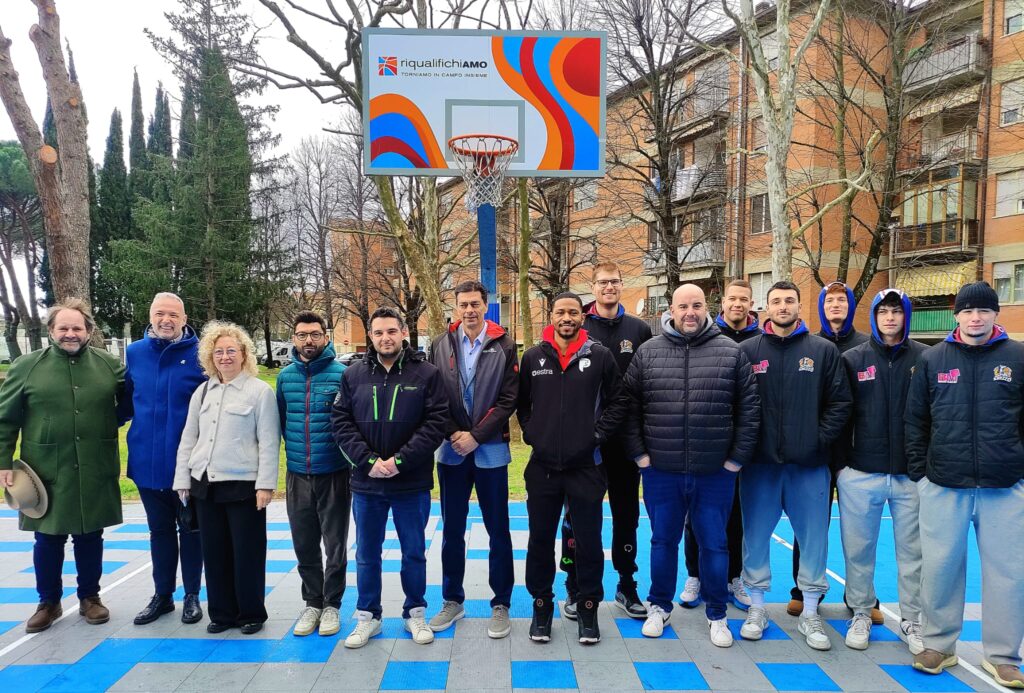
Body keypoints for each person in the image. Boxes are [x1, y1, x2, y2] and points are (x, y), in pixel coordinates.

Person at [622, 284, 759, 647]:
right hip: (661, 471)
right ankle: (659, 606)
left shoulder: (730, 352)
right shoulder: (648, 352)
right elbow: (629, 408)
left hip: (714, 473)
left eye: (696, 305)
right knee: (662, 541)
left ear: (706, 308)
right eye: (683, 306)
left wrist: (735, 461)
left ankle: (717, 614)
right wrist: (641, 457)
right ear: (671, 309)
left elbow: (749, 411)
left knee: (715, 545)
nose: (690, 312)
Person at [905, 281, 1024, 687]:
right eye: (968, 311)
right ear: (957, 315)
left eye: (983, 310)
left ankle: (1003, 656)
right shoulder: (933, 358)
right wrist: (921, 475)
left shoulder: (1017, 357)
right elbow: (915, 420)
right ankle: (939, 644)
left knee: (1008, 573)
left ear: (995, 314)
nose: (976, 318)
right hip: (944, 483)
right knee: (940, 569)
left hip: (1004, 486)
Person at [737, 281, 852, 651]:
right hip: (760, 466)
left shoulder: (822, 351)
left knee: (814, 539)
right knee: (755, 537)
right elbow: (736, 404)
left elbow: (840, 403)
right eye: (776, 301)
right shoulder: (748, 351)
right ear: (766, 307)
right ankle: (757, 607)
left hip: (809, 467)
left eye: (789, 300)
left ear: (800, 306)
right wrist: (749, 446)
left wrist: (816, 440)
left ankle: (811, 611)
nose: (783, 306)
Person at [0, 299, 126, 633]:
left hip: (94, 464)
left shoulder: (109, 365)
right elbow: (5, 418)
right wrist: (3, 462)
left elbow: (129, 402)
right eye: (63, 328)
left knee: (90, 534)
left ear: (88, 331)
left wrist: (106, 423)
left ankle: (90, 598)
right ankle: (48, 603)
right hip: (43, 469)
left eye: (77, 328)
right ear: (52, 331)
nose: (71, 334)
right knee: (47, 537)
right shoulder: (26, 366)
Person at [331, 307, 447, 649]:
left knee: (414, 552)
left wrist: (400, 461)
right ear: (371, 336)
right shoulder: (352, 375)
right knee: (367, 554)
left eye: (391, 331)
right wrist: (369, 461)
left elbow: (436, 423)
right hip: (367, 484)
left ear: (403, 333)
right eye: (379, 332)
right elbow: (341, 421)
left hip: (410, 483)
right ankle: (368, 616)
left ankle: (415, 613)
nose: (385, 338)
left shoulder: (426, 374)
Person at [517, 292, 626, 645]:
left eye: (573, 312)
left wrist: (596, 436)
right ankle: (541, 607)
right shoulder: (533, 357)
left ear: (583, 316)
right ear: (551, 316)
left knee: (589, 543)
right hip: (543, 468)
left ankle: (588, 608)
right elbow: (522, 405)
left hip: (586, 467)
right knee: (539, 542)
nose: (567, 318)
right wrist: (534, 434)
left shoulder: (600, 356)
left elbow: (618, 401)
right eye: (561, 312)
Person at [557, 262, 651, 621]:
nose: (608, 287)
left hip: (624, 442)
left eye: (614, 281)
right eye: (602, 282)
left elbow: (646, 384)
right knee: (577, 518)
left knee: (626, 516)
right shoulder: (578, 326)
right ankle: (574, 584)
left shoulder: (639, 330)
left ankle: (626, 584)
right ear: (592, 287)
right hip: (585, 443)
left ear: (622, 285)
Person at [173, 322, 280, 635]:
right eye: (218, 351)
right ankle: (221, 613)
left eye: (231, 350)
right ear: (210, 356)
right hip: (205, 485)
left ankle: (250, 613)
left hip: (243, 486)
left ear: (244, 354)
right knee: (214, 552)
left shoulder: (259, 392)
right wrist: (182, 480)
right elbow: (189, 437)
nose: (225, 357)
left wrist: (265, 485)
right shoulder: (203, 391)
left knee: (247, 553)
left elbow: (269, 441)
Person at [837, 288, 925, 653]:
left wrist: (924, 466)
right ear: (873, 316)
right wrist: (842, 465)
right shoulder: (853, 359)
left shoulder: (926, 358)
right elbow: (840, 414)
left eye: (896, 311)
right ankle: (861, 612)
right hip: (861, 473)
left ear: (906, 315)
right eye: (883, 311)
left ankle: (913, 619)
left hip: (911, 476)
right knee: (858, 551)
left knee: (914, 554)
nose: (890, 318)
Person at [428, 281, 518, 639]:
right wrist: (454, 433)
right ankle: (452, 600)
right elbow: (434, 397)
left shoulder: (505, 344)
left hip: (490, 448)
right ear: (456, 306)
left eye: (475, 304)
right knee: (452, 530)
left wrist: (476, 435)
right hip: (451, 450)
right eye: (463, 304)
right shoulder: (440, 344)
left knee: (499, 529)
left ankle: (501, 603)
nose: (469, 310)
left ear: (486, 305)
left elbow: (509, 399)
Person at [785, 281, 876, 620]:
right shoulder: (810, 346)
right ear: (821, 306)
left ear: (851, 305)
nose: (835, 305)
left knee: (860, 533)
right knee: (809, 528)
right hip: (818, 451)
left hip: (856, 454)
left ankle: (863, 598)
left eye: (842, 300)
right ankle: (802, 590)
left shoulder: (867, 345)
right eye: (829, 300)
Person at [124, 293, 206, 627]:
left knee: (191, 530)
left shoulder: (201, 354)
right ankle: (162, 595)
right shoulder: (134, 353)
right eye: (160, 313)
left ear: (184, 318)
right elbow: (124, 401)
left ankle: (192, 596)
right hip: (146, 461)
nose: (166, 320)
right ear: (150, 316)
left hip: (188, 465)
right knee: (159, 531)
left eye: (173, 314)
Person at [680, 279, 758, 611]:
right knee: (694, 517)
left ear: (751, 303)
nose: (737, 304)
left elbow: (750, 404)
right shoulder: (706, 336)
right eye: (732, 298)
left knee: (736, 517)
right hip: (704, 447)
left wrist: (741, 449)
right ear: (722, 303)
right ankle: (695, 575)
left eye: (744, 299)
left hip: (738, 449)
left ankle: (733, 577)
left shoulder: (760, 341)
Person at [276, 311, 349, 637]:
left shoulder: (342, 375)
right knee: (304, 544)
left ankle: (332, 604)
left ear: (326, 337)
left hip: (334, 473)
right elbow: (281, 421)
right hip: (297, 475)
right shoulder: (285, 378)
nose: (309, 340)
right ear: (294, 338)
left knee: (335, 545)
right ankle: (312, 603)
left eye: (315, 334)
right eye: (302, 334)